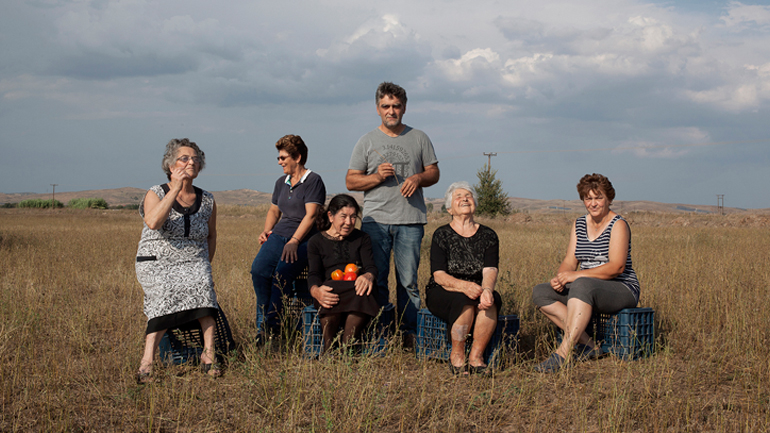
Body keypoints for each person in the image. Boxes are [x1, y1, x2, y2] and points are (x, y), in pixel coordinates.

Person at [345, 81, 440, 346]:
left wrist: (418, 178)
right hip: (376, 222)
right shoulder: (366, 141)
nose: (391, 111)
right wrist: (376, 177)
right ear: (377, 109)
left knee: (408, 282)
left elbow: (434, 172)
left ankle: (409, 333)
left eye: (396, 106)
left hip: (410, 221)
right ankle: (381, 332)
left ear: (404, 108)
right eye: (386, 106)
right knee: (376, 279)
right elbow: (351, 182)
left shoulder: (419, 137)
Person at [532, 173, 640, 373]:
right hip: (586, 286)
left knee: (582, 283)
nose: (593, 203)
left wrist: (576, 276)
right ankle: (589, 345)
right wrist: (562, 277)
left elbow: (617, 267)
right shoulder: (579, 224)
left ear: (609, 199)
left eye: (598, 198)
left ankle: (563, 354)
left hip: (621, 287)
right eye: (588, 198)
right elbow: (570, 260)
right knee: (541, 292)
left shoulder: (618, 224)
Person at [135, 138, 220, 382]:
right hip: (156, 260)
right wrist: (175, 188)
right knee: (164, 291)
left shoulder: (207, 200)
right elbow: (153, 222)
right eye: (184, 158)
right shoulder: (156, 192)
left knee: (204, 285)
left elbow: (211, 236)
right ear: (171, 166)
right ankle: (147, 361)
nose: (191, 162)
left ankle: (209, 355)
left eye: (195, 159)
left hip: (194, 260)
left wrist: (204, 265)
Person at [250, 134, 326, 342]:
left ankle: (273, 328)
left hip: (304, 237)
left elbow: (310, 215)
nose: (280, 162)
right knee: (259, 270)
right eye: (279, 158)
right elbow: (274, 211)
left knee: (282, 276)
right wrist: (267, 231)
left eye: (283, 158)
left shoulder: (313, 181)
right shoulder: (280, 182)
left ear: (298, 157)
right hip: (280, 233)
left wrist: (294, 241)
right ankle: (265, 320)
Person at [425, 182, 503, 375]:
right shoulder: (441, 234)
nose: (465, 198)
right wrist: (464, 286)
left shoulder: (488, 235)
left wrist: (486, 290)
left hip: (477, 288)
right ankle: (457, 355)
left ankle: (476, 357)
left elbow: (490, 268)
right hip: (443, 289)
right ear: (450, 208)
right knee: (465, 301)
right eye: (458, 196)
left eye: (468, 195)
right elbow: (439, 275)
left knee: (491, 301)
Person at [307, 194, 379, 352]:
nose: (349, 222)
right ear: (331, 216)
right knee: (330, 290)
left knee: (364, 291)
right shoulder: (316, 242)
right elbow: (314, 274)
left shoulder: (362, 238)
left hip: (355, 289)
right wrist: (316, 291)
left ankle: (347, 347)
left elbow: (371, 267)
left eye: (353, 217)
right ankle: (329, 346)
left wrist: (368, 276)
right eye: (344, 216)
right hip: (331, 289)